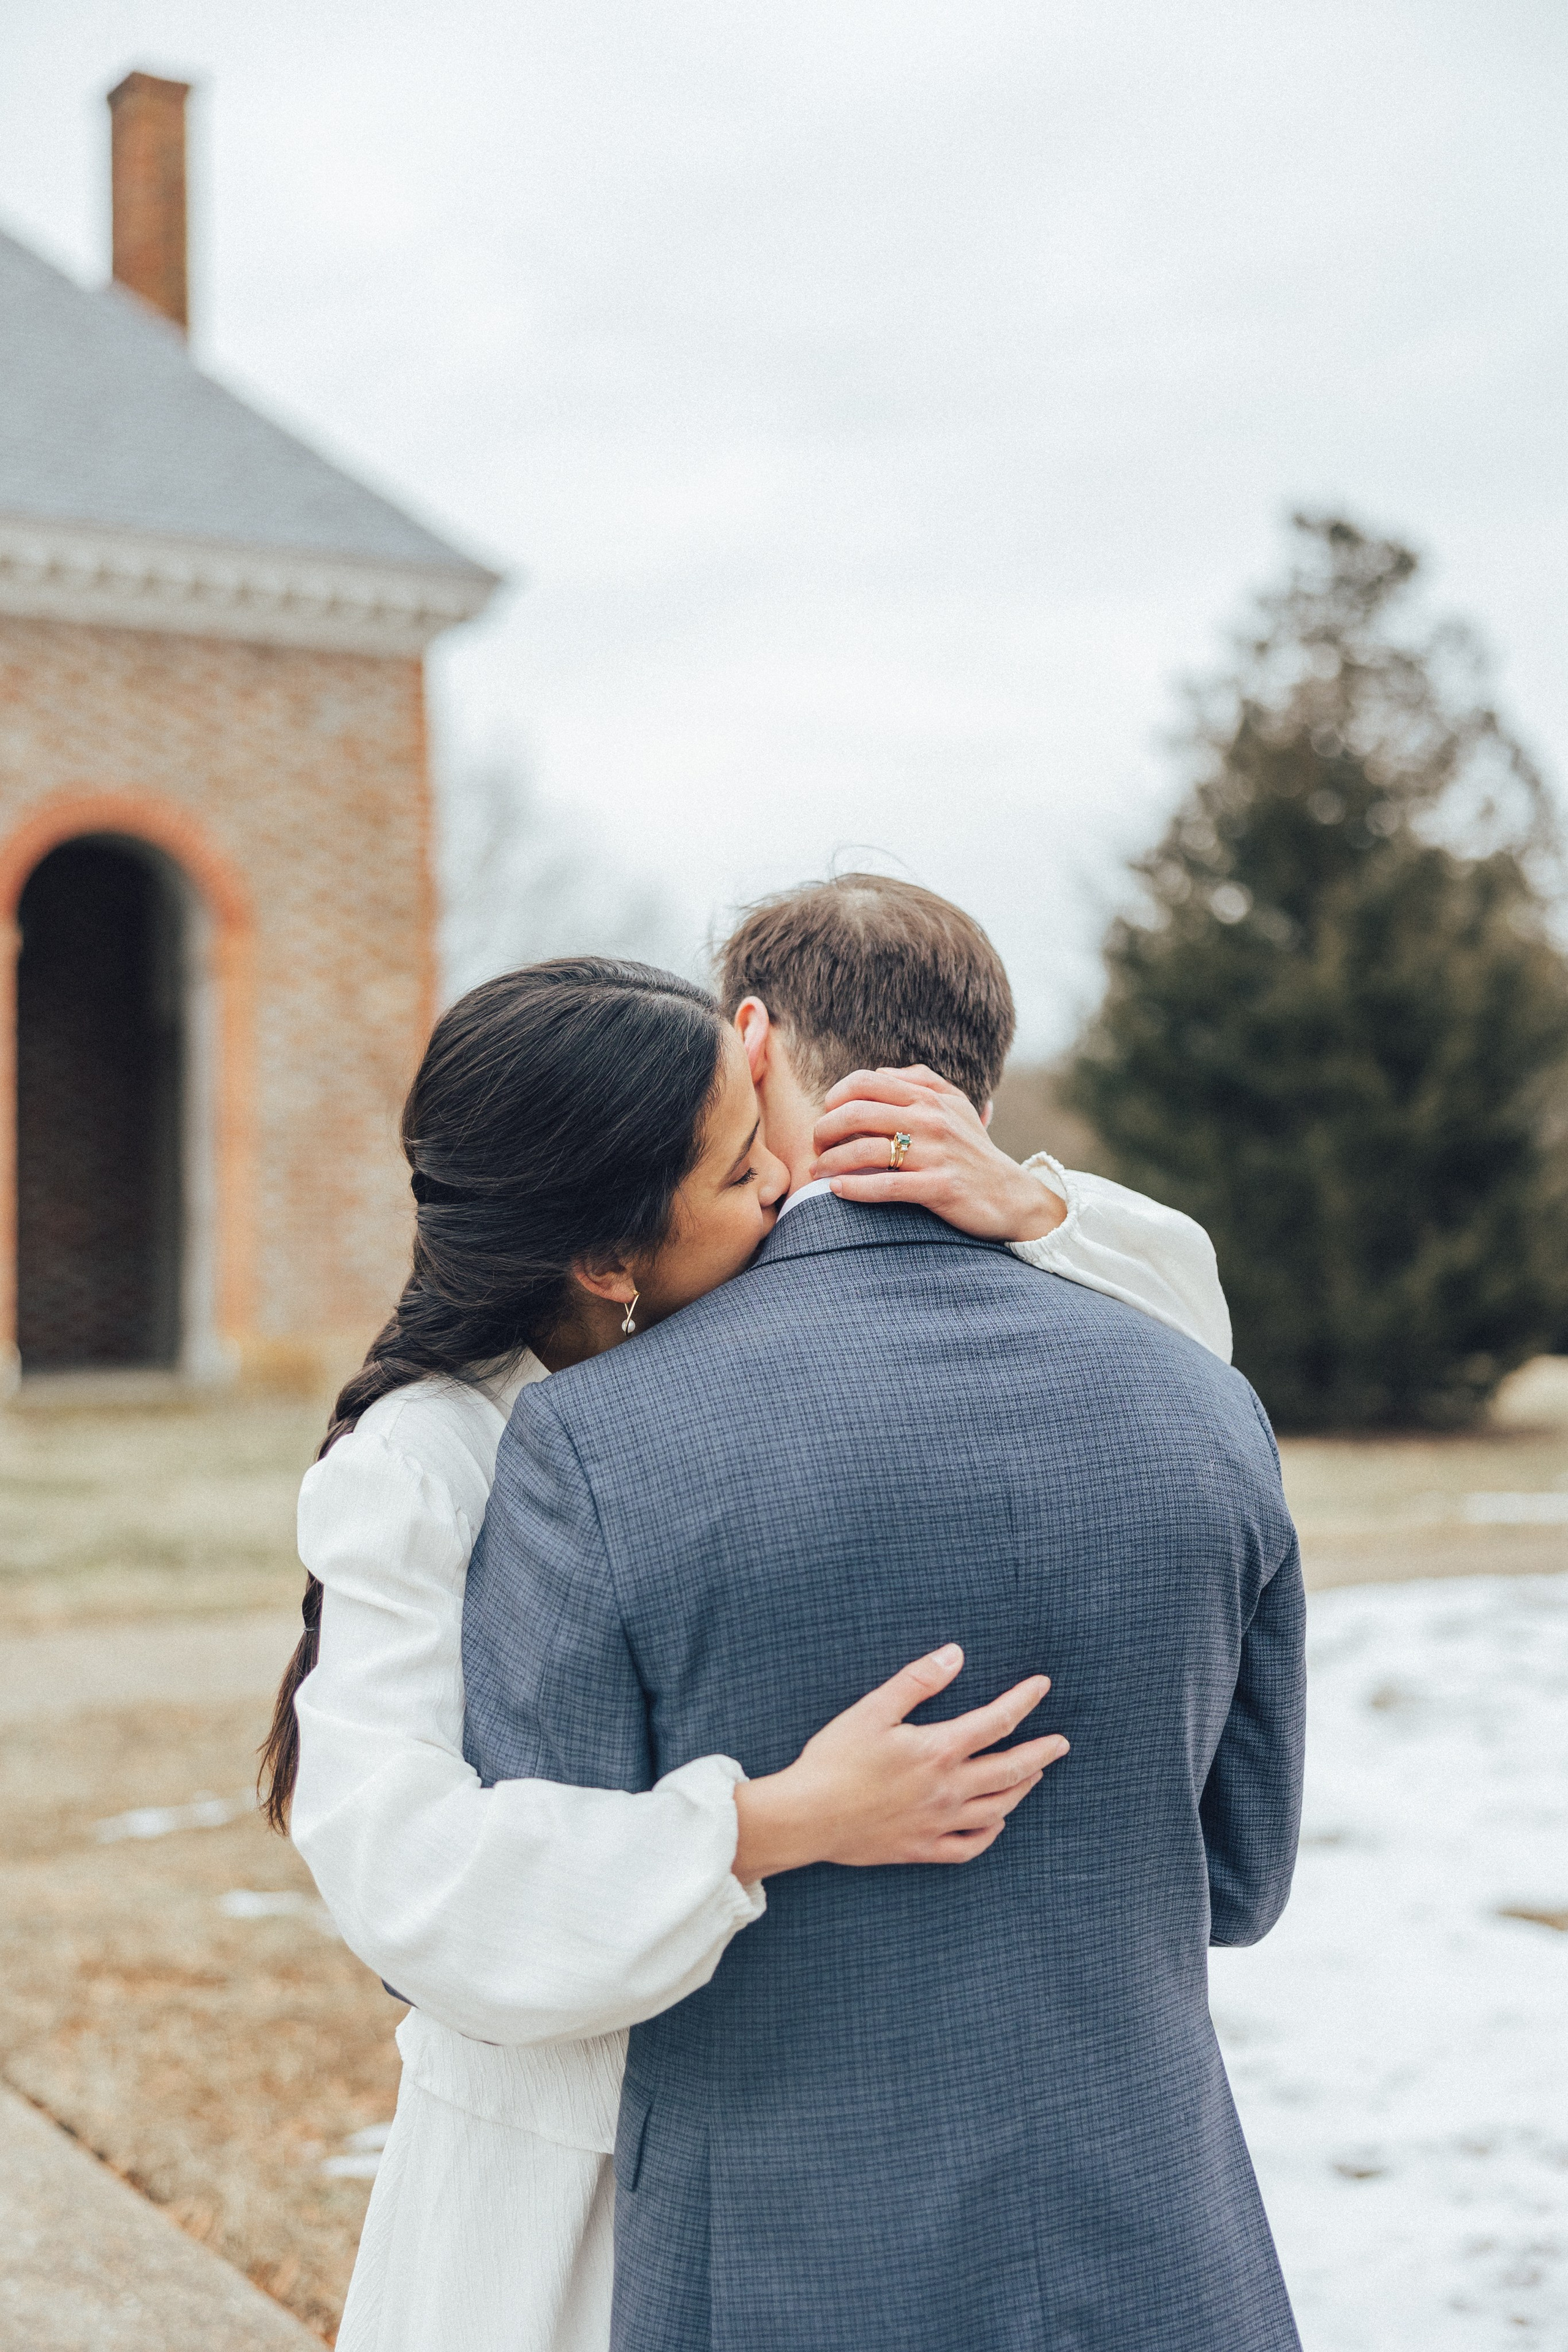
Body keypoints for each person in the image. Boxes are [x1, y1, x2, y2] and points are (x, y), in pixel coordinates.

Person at [275, 918, 1233, 2352]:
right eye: (741, 1169)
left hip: (799, 2156)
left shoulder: (711, 1352)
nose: (792, 1190)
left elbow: (1189, 1363)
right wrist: (768, 1822)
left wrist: (1034, 1213)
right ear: (606, 1251)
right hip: (560, 2195)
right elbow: (415, 1889)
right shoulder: (424, 1462)